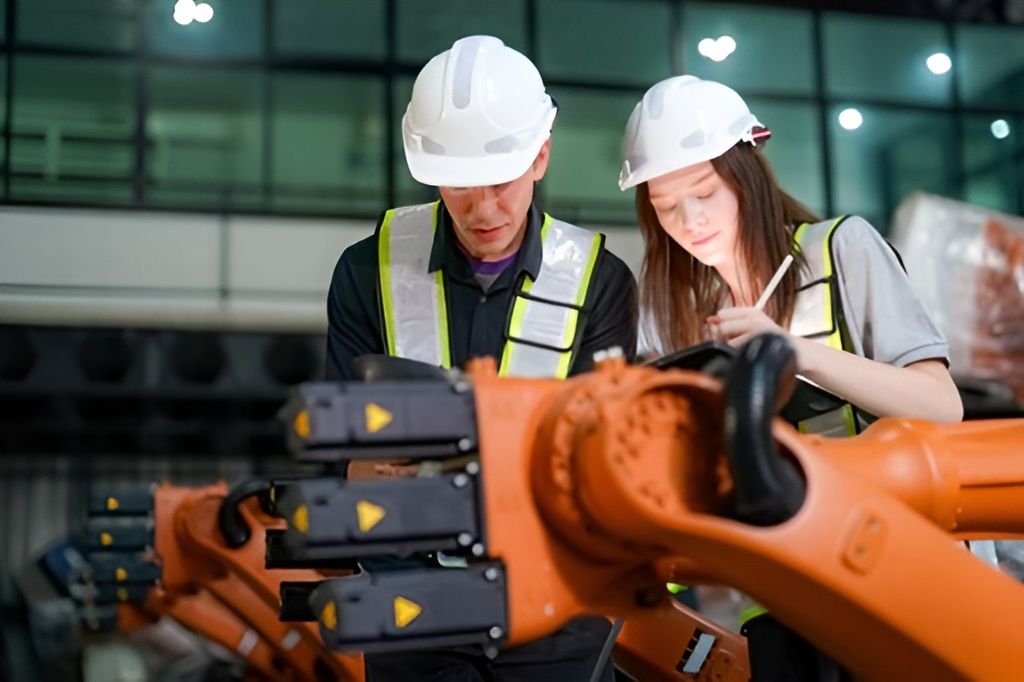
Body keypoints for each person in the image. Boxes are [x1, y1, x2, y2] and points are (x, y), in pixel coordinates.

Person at [618, 75, 962, 680]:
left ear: (747, 169)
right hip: (783, 597)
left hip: (900, 576)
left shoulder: (842, 249)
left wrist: (792, 353)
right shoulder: (683, 315)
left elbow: (941, 407)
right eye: (666, 207)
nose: (690, 220)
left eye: (704, 191)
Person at [325, 35, 636, 682]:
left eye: (500, 180)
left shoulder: (599, 281)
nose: (483, 206)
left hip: (557, 611)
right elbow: (335, 443)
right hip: (413, 609)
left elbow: (611, 457)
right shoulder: (366, 270)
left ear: (540, 156)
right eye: (460, 185)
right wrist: (355, 465)